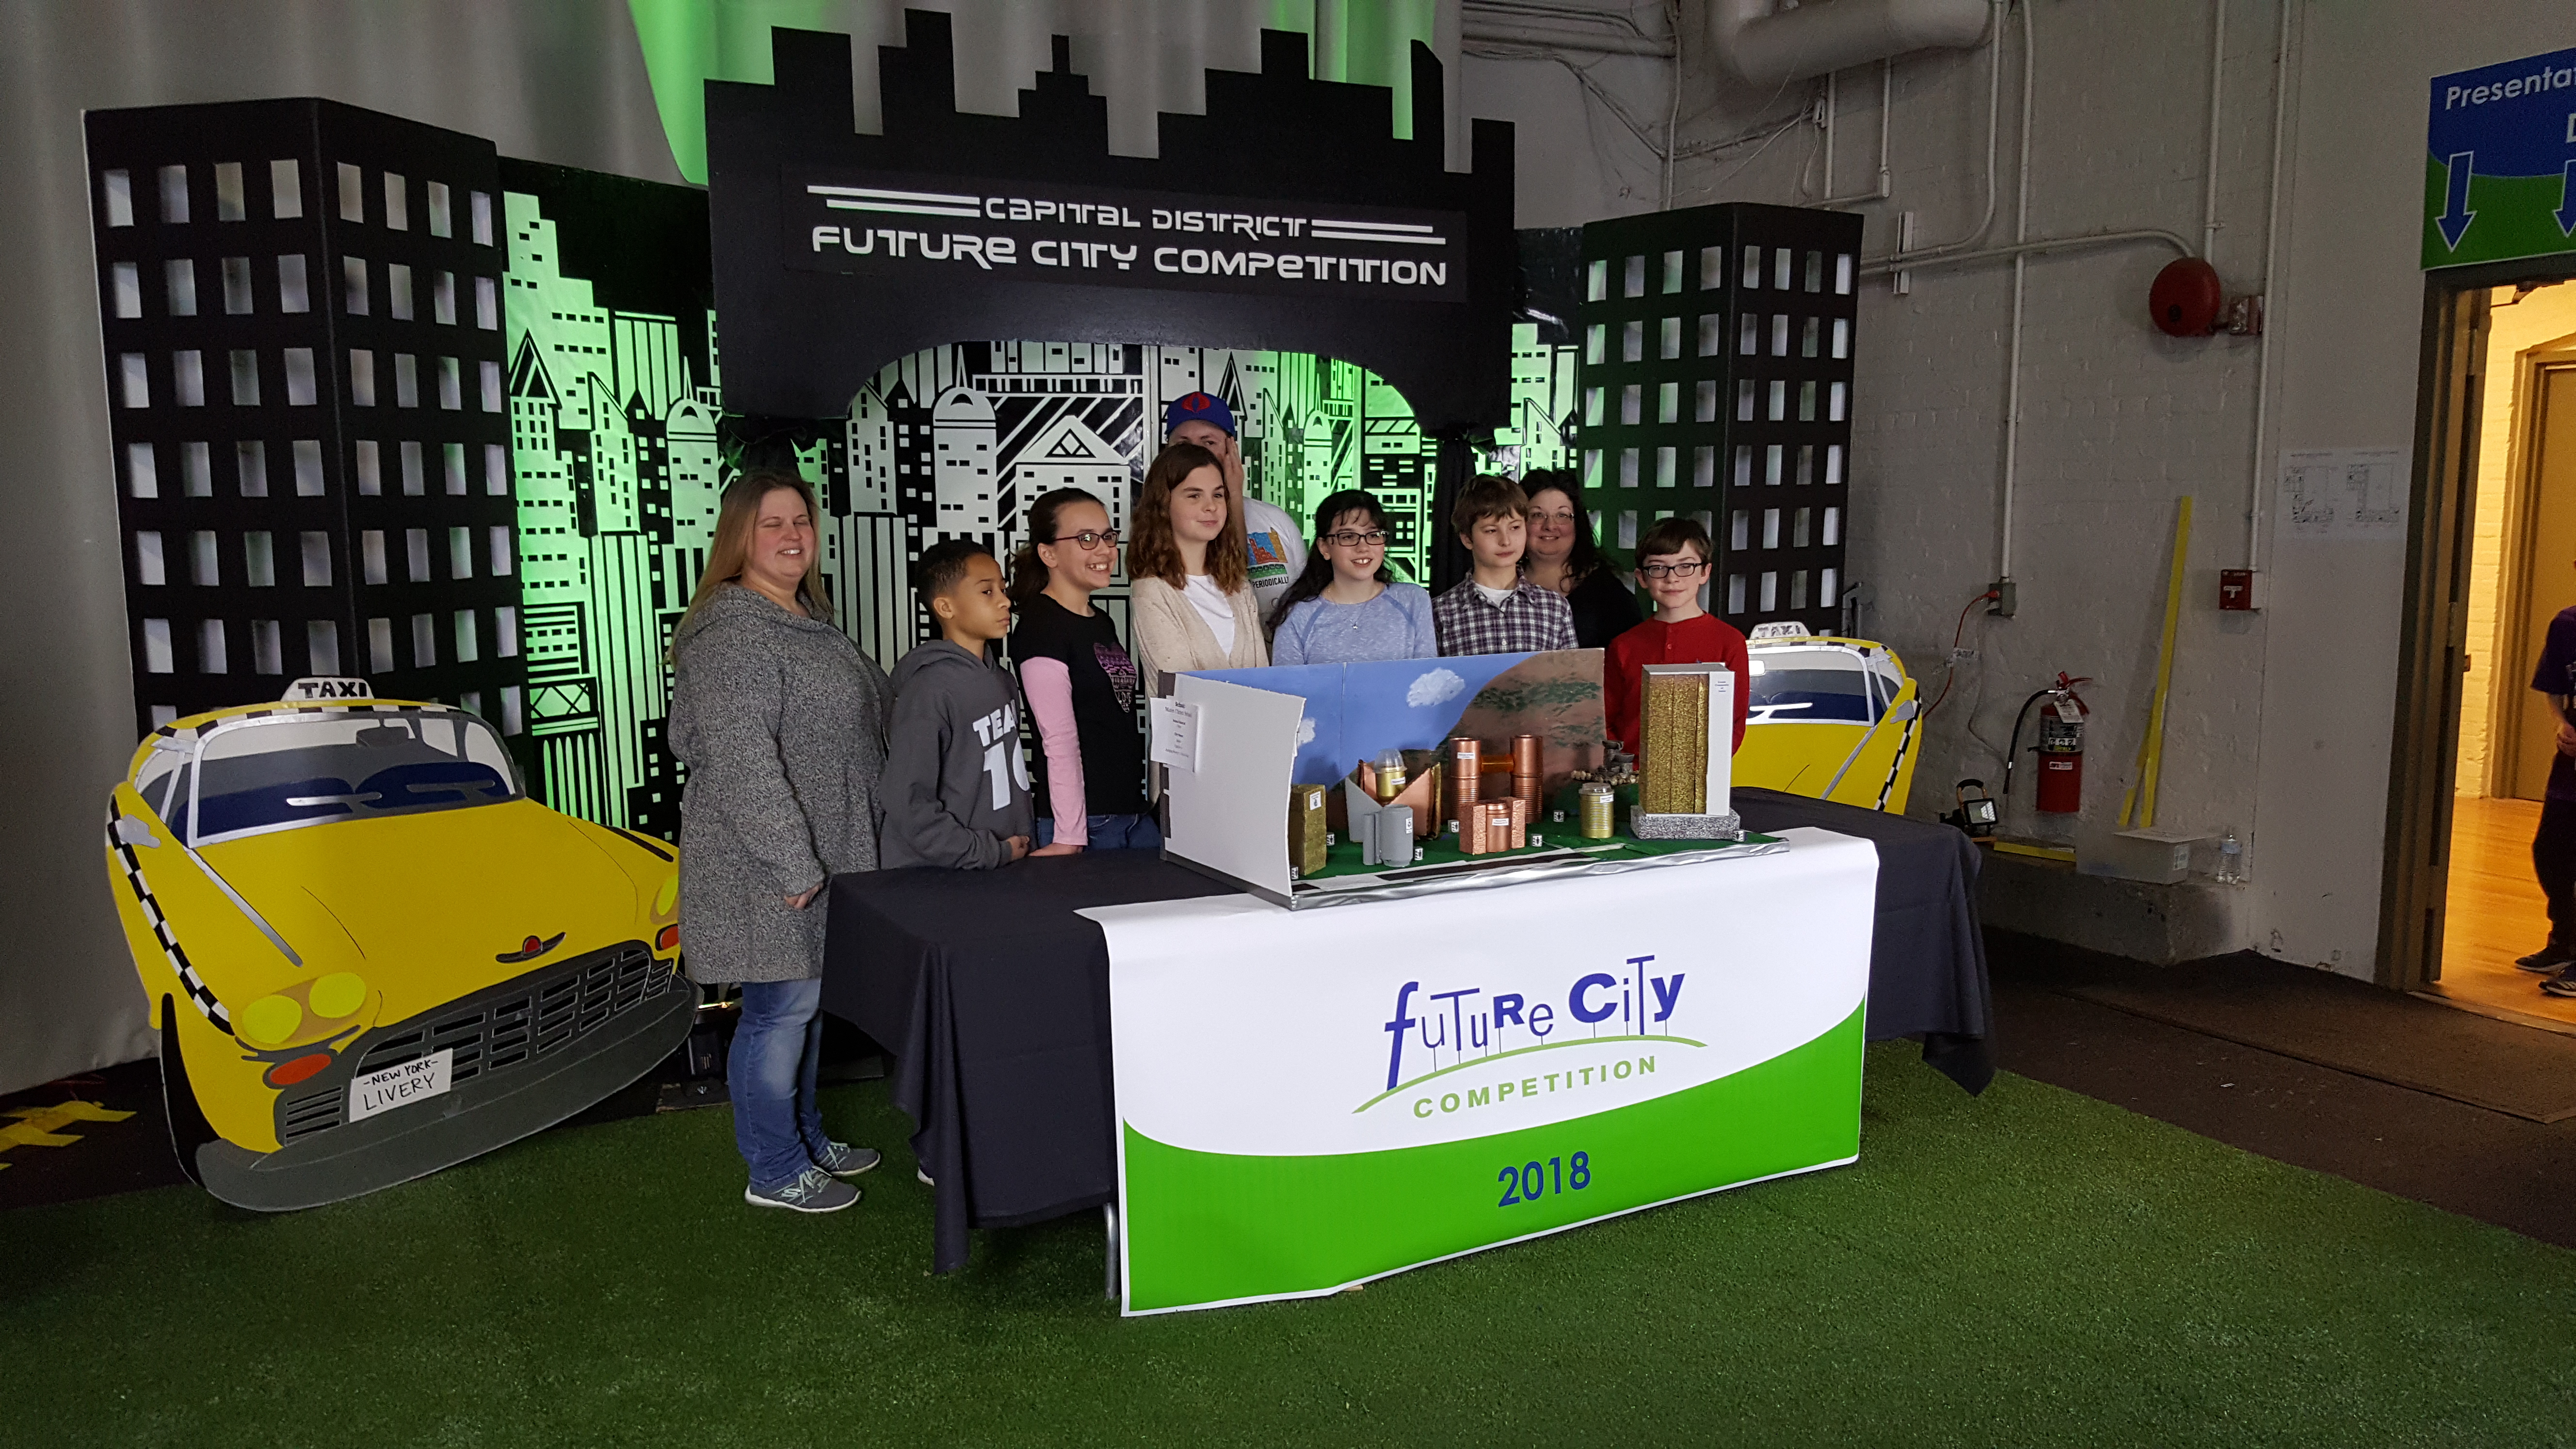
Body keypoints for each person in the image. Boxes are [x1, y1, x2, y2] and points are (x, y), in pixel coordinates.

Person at [667, 470, 888, 1215]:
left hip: (824, 851)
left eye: (802, 522)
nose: (794, 536)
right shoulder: (733, 631)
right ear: (740, 538)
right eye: (773, 524)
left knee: (807, 1006)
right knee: (779, 1012)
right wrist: (792, 862)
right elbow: (740, 759)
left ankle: (805, 1138)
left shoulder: (805, 620)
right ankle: (775, 1169)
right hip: (767, 863)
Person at [1007, 487, 1156, 854]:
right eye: (1087, 539)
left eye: (1108, 537)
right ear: (1048, 554)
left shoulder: (1100, 621)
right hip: (1085, 826)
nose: (1105, 550)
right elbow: (1057, 737)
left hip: (1130, 813)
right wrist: (1069, 836)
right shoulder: (1042, 627)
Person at [879, 539, 1035, 870]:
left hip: (1005, 869)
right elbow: (908, 801)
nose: (1005, 601)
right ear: (945, 607)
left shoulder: (1003, 681)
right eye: (987, 592)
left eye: (1003, 589)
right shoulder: (928, 690)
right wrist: (986, 852)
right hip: (942, 880)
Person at [1604, 515, 1750, 763]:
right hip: (1632, 774)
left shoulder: (1730, 642)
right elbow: (1606, 719)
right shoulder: (1623, 645)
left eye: (1685, 566)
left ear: (1705, 572)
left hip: (1702, 775)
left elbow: (1734, 723)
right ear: (1642, 577)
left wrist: (1707, 768)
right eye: (1658, 567)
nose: (1672, 578)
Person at [1129, 440, 1269, 693]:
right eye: (1194, 496)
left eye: (1218, 495)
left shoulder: (1239, 587)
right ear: (1163, 504)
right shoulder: (1152, 591)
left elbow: (1265, 685)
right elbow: (1183, 693)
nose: (1211, 506)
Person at [1166, 390, 1306, 623]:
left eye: (1209, 442)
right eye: (1183, 444)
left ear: (1231, 449)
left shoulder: (1275, 520)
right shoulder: (1159, 524)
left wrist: (1235, 495)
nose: (1196, 453)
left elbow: (1305, 603)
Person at [1270, 489, 1436, 666]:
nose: (1363, 547)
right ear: (1324, 547)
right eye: (1348, 537)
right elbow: (1288, 683)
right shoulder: (1298, 615)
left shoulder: (1413, 601)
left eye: (1373, 535)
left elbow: (1427, 678)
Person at [1432, 473, 1578, 657]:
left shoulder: (1555, 608)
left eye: (1515, 528)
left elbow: (1572, 674)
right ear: (1468, 539)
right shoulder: (1442, 612)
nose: (1506, 541)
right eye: (1491, 531)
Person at [1522, 469, 1643, 651]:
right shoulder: (1501, 584)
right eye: (1537, 515)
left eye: (1562, 515)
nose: (1550, 526)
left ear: (1578, 523)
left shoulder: (1608, 593)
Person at [2522, 602, 2576, 998]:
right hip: (2570, 764)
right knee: (2550, 850)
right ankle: (2565, 938)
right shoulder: (2567, 624)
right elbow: (2554, 690)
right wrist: (2561, 724)